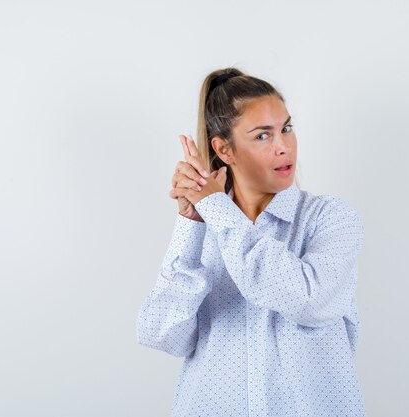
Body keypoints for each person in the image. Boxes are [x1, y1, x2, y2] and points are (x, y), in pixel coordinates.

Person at [136, 67, 367, 416]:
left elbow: (309, 300)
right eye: (263, 136)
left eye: (286, 129)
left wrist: (215, 207)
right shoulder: (206, 227)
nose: (283, 147)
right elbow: (163, 335)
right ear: (224, 149)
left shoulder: (330, 218)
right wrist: (190, 224)